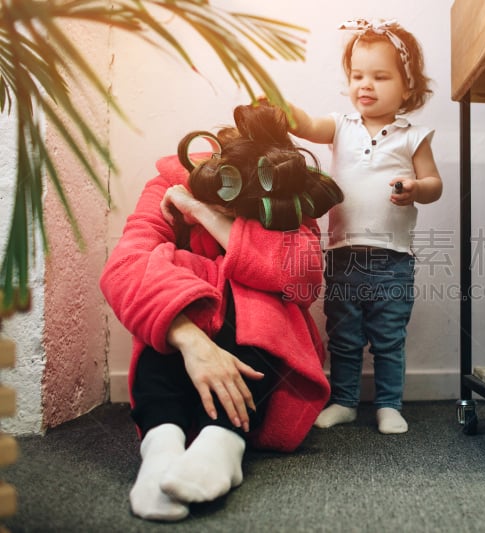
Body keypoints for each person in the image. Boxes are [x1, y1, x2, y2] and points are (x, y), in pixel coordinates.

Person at [100, 99, 341, 521]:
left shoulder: (286, 196)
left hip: (259, 354)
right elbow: (124, 267)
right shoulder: (168, 183)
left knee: (265, 295)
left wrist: (205, 215)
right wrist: (192, 342)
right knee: (165, 278)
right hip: (180, 348)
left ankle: (223, 444)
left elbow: (302, 277)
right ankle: (161, 444)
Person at [288, 18, 443, 434]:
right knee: (344, 334)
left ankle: (390, 404)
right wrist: (285, 111)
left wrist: (415, 188)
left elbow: (435, 185)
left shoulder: (413, 137)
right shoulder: (340, 126)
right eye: (357, 76)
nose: (365, 85)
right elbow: (305, 125)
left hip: (393, 258)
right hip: (343, 254)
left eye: (379, 76)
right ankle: (343, 400)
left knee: (389, 337)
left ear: (407, 87)